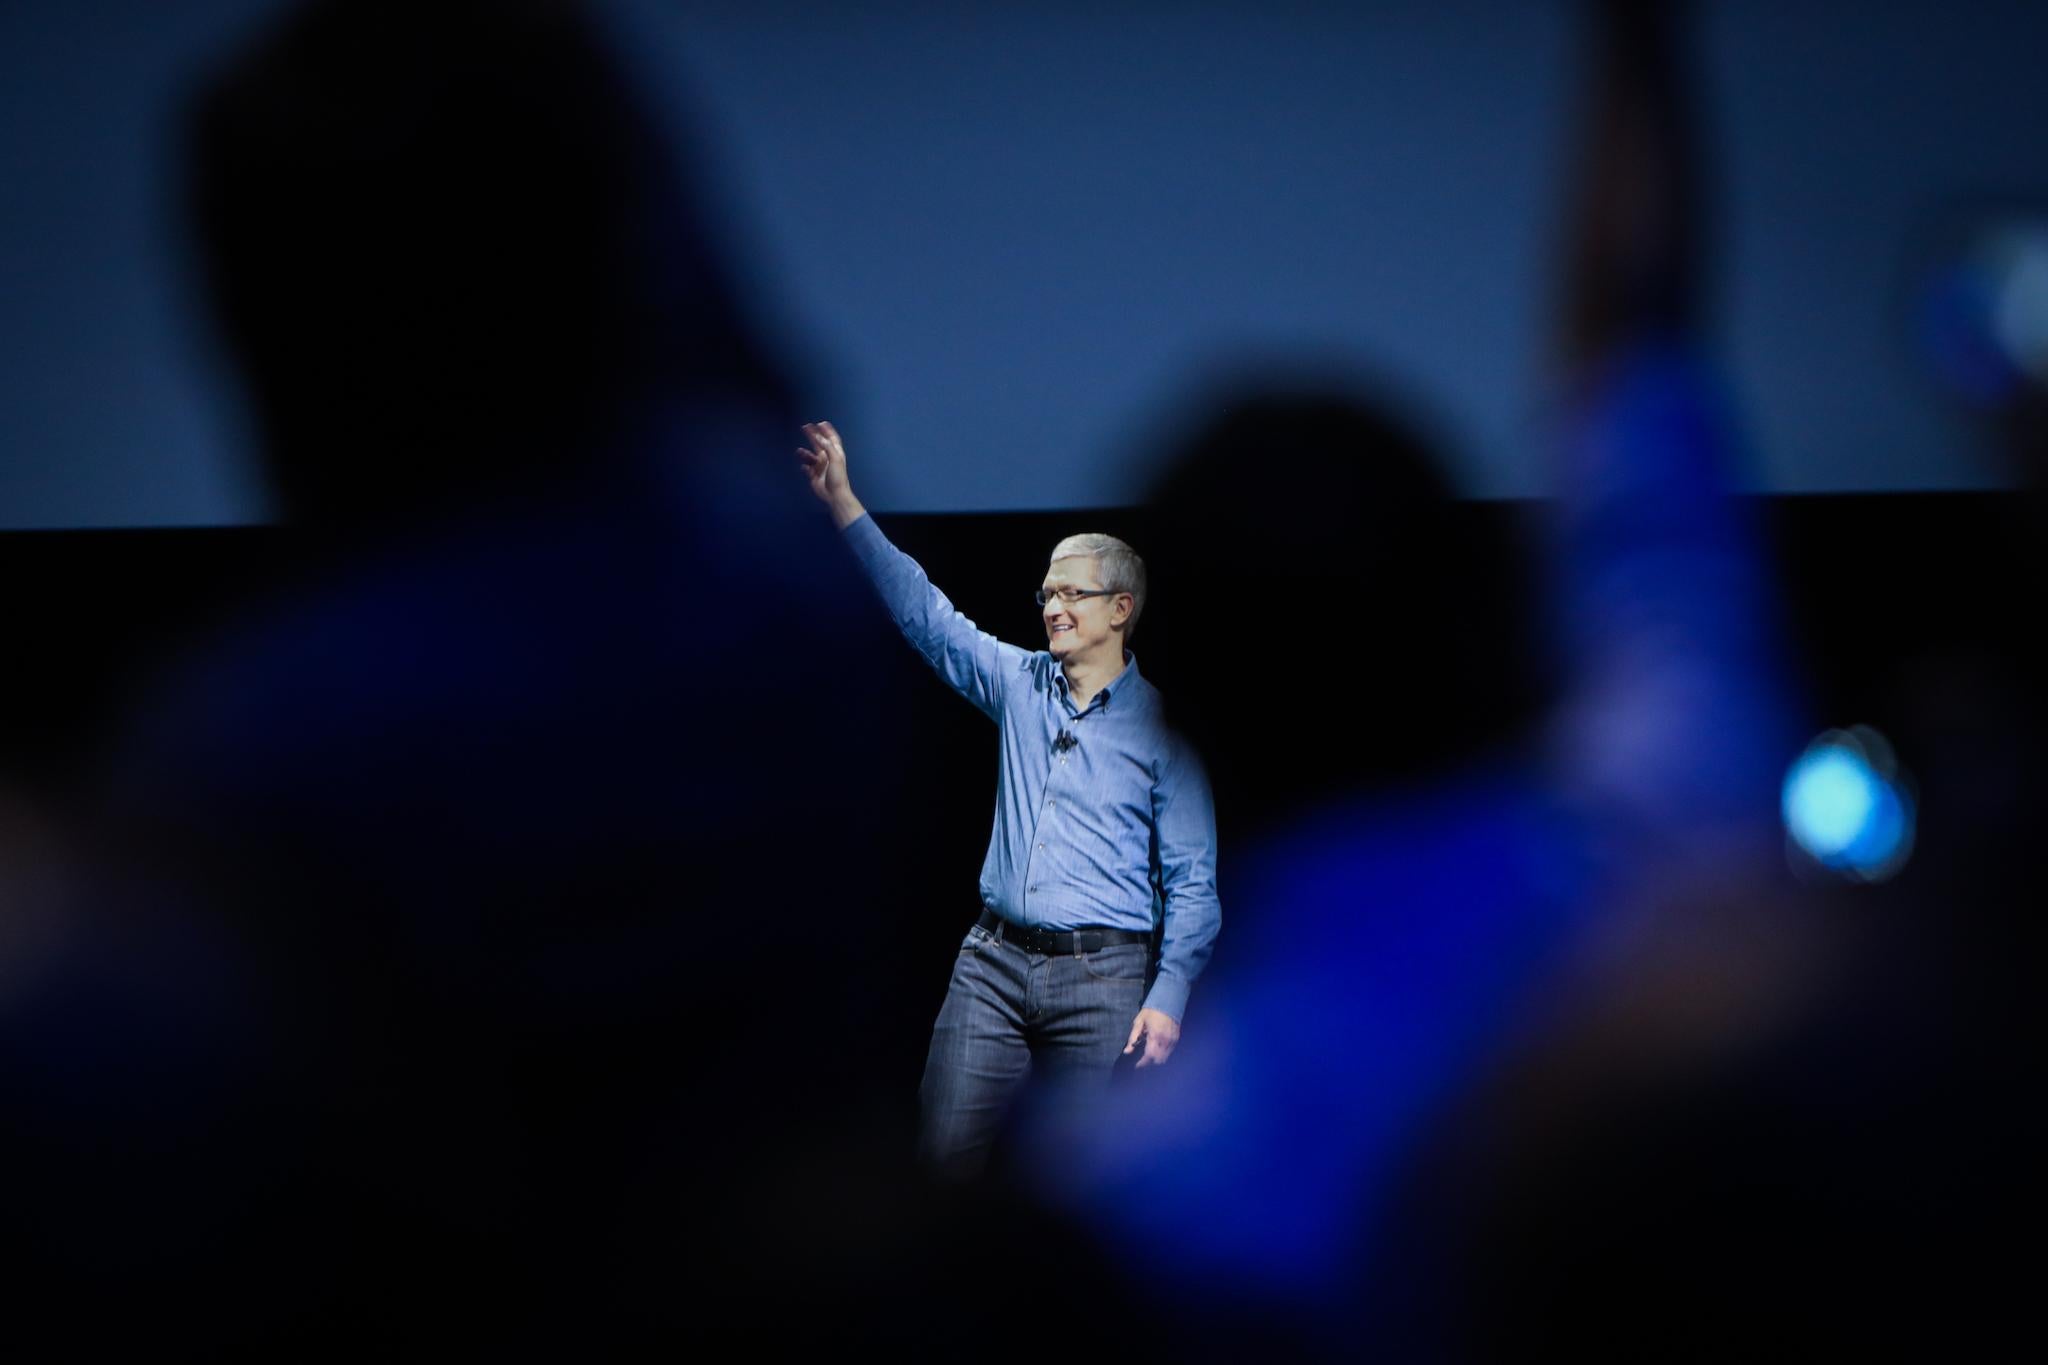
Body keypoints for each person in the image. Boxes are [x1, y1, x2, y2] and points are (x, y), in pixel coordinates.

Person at [797, 418, 1221, 1179]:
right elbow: (926, 614)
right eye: (1046, 592)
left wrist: (1170, 996)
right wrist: (843, 505)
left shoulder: (1162, 726)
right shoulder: (1021, 684)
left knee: (1092, 1186)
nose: (1052, 606)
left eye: (1072, 592)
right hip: (991, 965)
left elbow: (1193, 879)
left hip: (1105, 977)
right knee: (939, 1163)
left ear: (1120, 609)